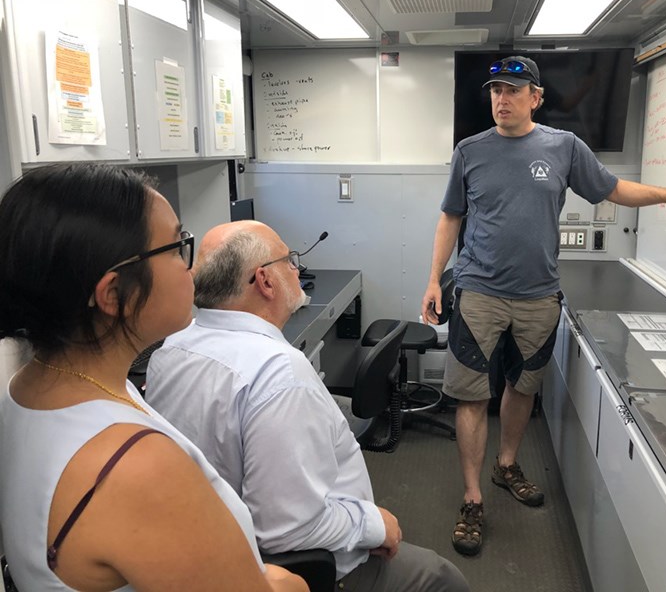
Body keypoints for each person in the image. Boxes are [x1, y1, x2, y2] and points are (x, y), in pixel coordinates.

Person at [420, 55, 666, 556]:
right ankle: (472, 497)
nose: (502, 99)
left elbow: (613, 188)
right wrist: (434, 279)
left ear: (536, 97)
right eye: (496, 90)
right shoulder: (469, 151)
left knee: (522, 387)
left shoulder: (564, 147)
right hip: (477, 293)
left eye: (514, 90)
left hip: (539, 295)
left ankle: (507, 464)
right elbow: (450, 217)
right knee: (471, 396)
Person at [0, 163, 307, 592]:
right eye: (178, 247)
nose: (191, 270)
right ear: (113, 294)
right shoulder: (137, 468)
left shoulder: (29, 388)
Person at [145, 220, 470, 592]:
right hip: (308, 567)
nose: (297, 269)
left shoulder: (170, 348)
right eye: (289, 260)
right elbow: (288, 530)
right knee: (444, 580)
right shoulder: (279, 373)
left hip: (210, 547)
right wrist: (375, 524)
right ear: (265, 281)